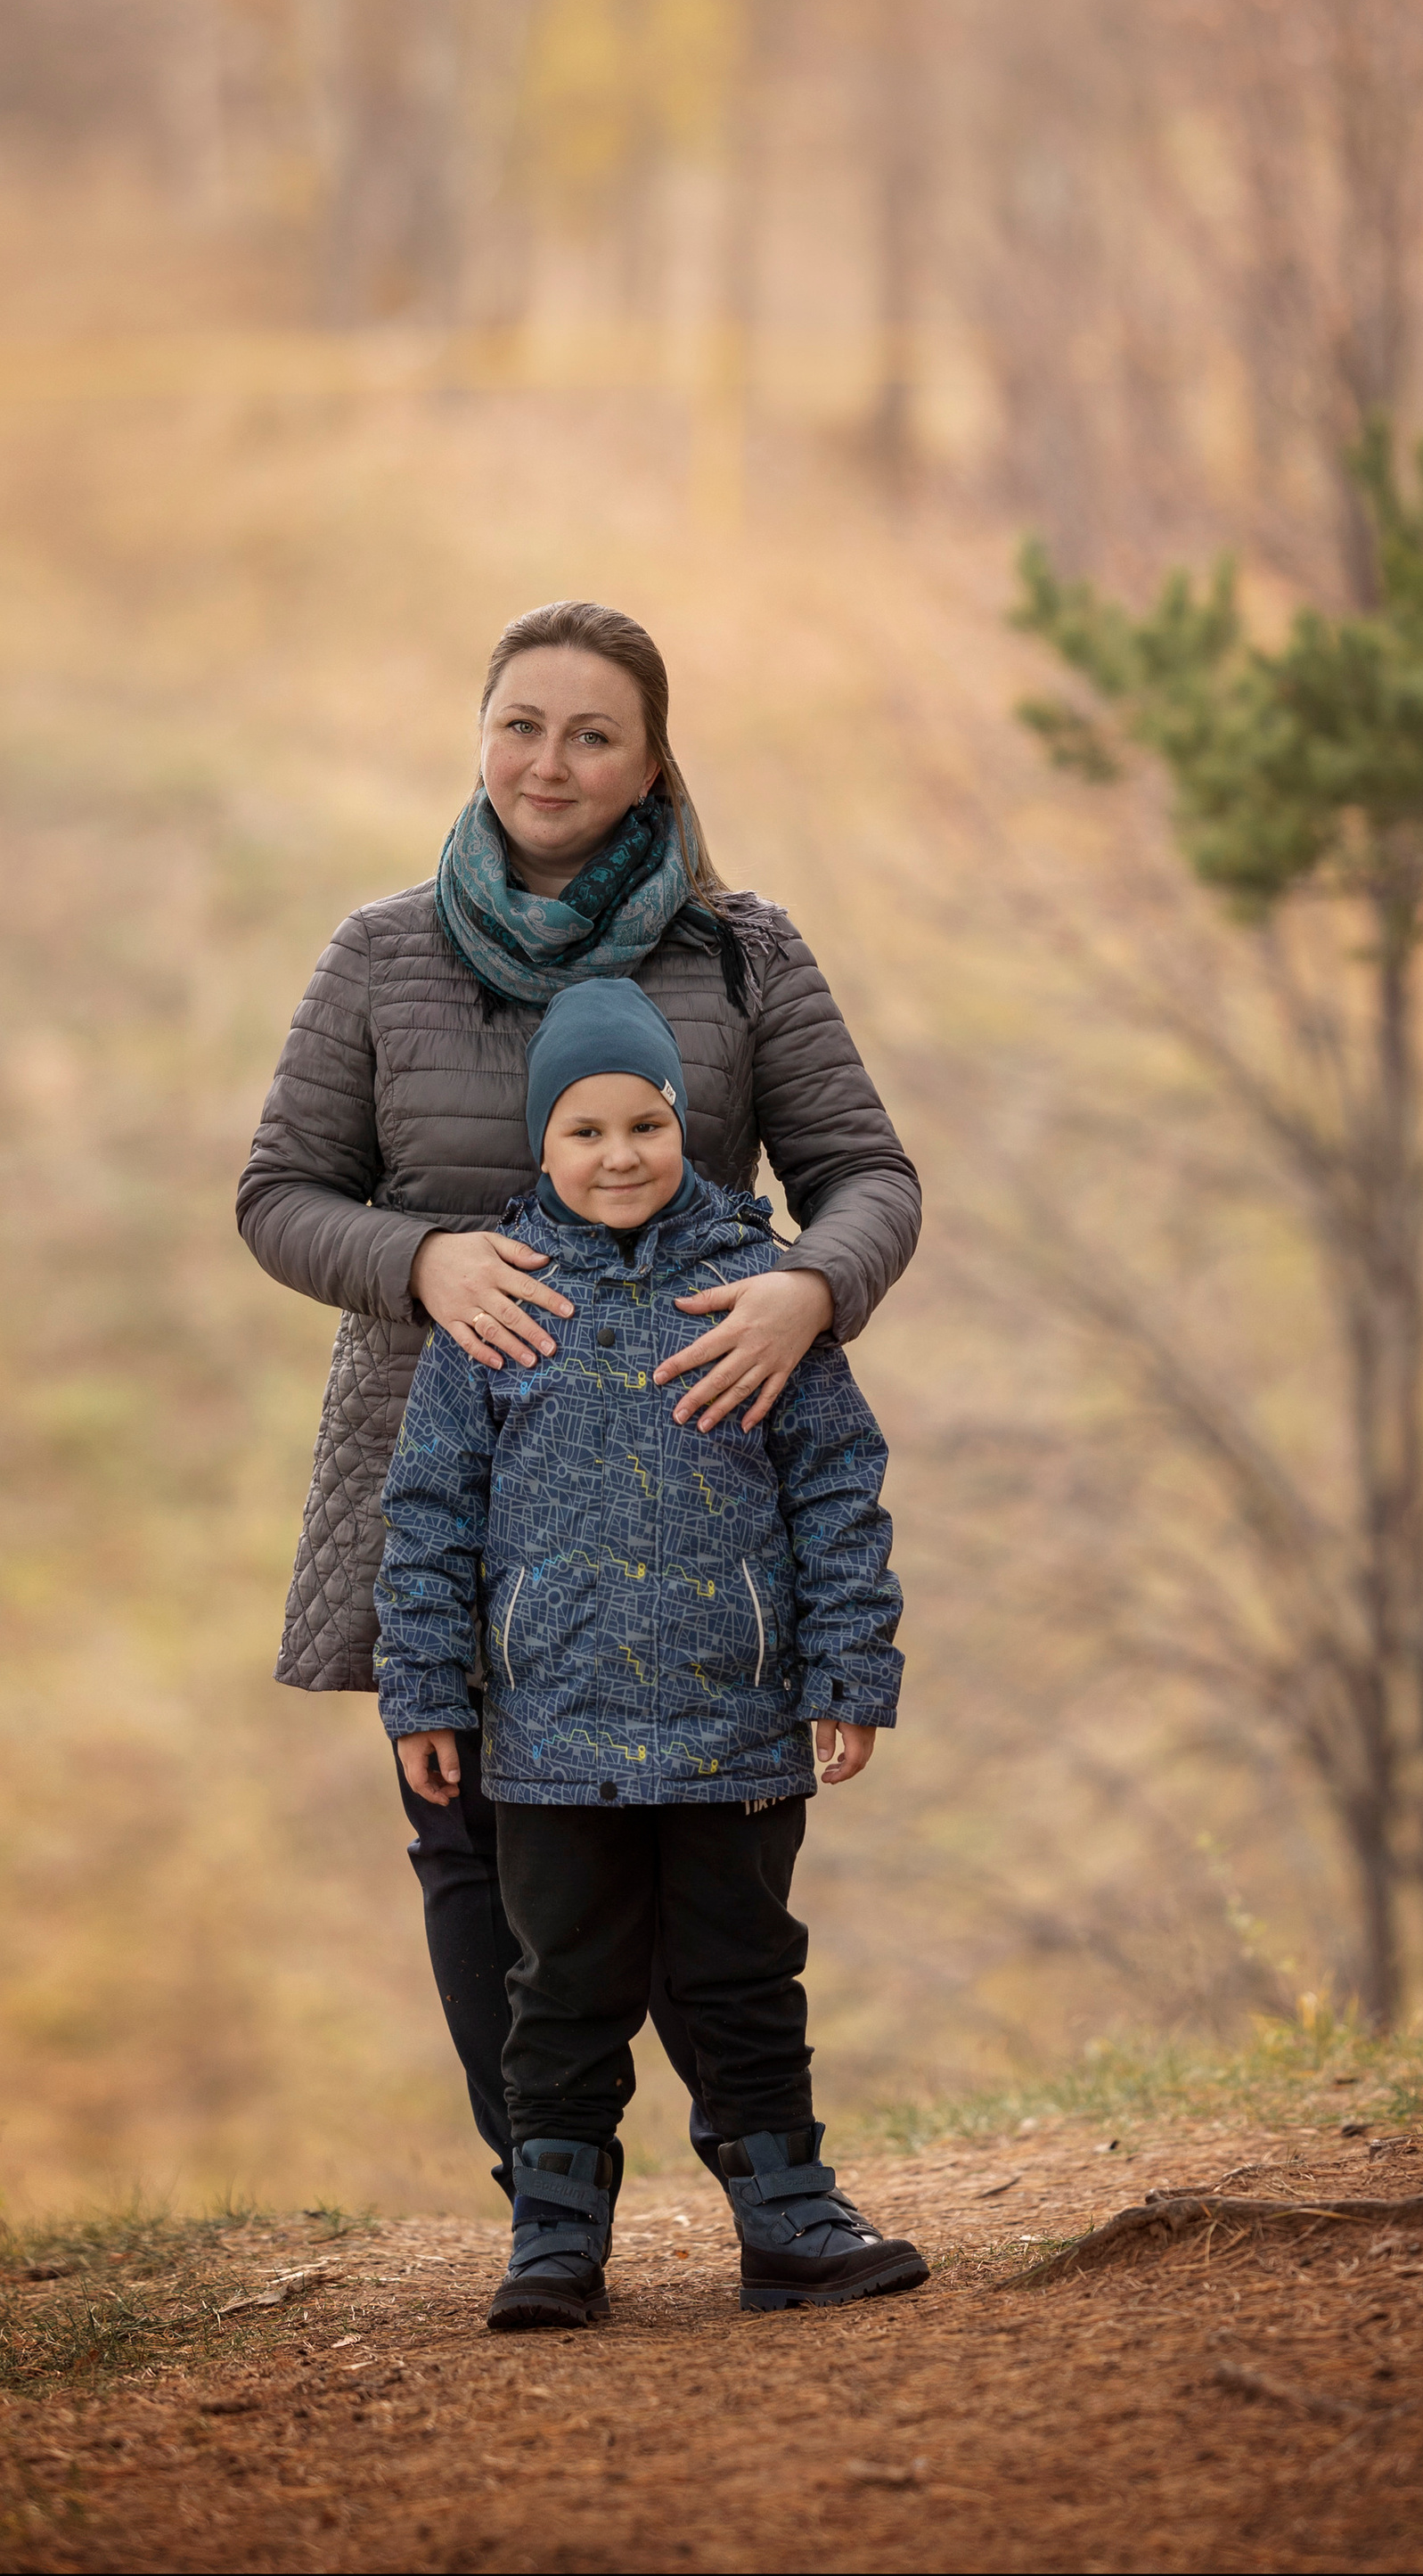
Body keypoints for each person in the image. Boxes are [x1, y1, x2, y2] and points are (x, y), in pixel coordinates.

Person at [235, 601, 920, 2186]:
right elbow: (278, 1194)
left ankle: (759, 2181)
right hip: (451, 1460)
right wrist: (422, 1263)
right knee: (478, 1838)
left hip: (703, 1479)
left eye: (591, 732)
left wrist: (810, 1288)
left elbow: (867, 1175)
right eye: (520, 724)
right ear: (480, 736)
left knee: (701, 1842)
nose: (549, 761)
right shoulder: (381, 952)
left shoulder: (744, 955)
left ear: (653, 759)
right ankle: (551, 2197)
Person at [376, 975, 926, 2329]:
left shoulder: (759, 1289)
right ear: (540, 1144)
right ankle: (554, 2238)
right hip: (548, 1736)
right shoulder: (497, 1303)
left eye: (645, 1125)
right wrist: (426, 1691)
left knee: (745, 1973)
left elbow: (836, 1488)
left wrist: (848, 1674)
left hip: (730, 1722)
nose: (618, 1156)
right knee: (560, 1988)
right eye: (583, 1132)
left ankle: (790, 2216)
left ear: (686, 1124)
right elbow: (430, 1513)